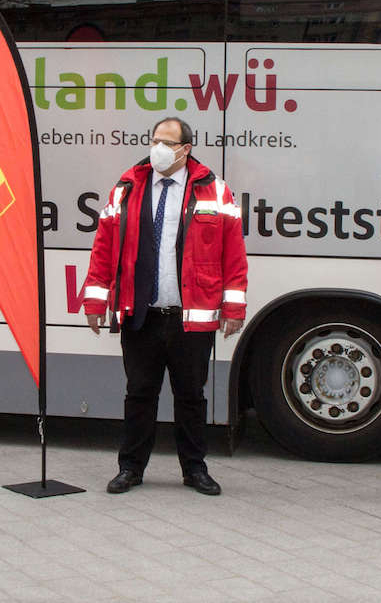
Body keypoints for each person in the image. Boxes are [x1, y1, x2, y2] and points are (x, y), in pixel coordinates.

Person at [82, 117, 248, 496]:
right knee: (139, 394)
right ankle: (130, 469)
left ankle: (195, 470)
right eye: (154, 139)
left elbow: (233, 256)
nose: (156, 147)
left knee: (191, 397)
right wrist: (95, 298)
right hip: (141, 315)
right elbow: (104, 248)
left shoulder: (215, 192)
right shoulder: (126, 188)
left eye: (166, 142)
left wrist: (233, 307)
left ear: (185, 149)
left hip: (190, 318)